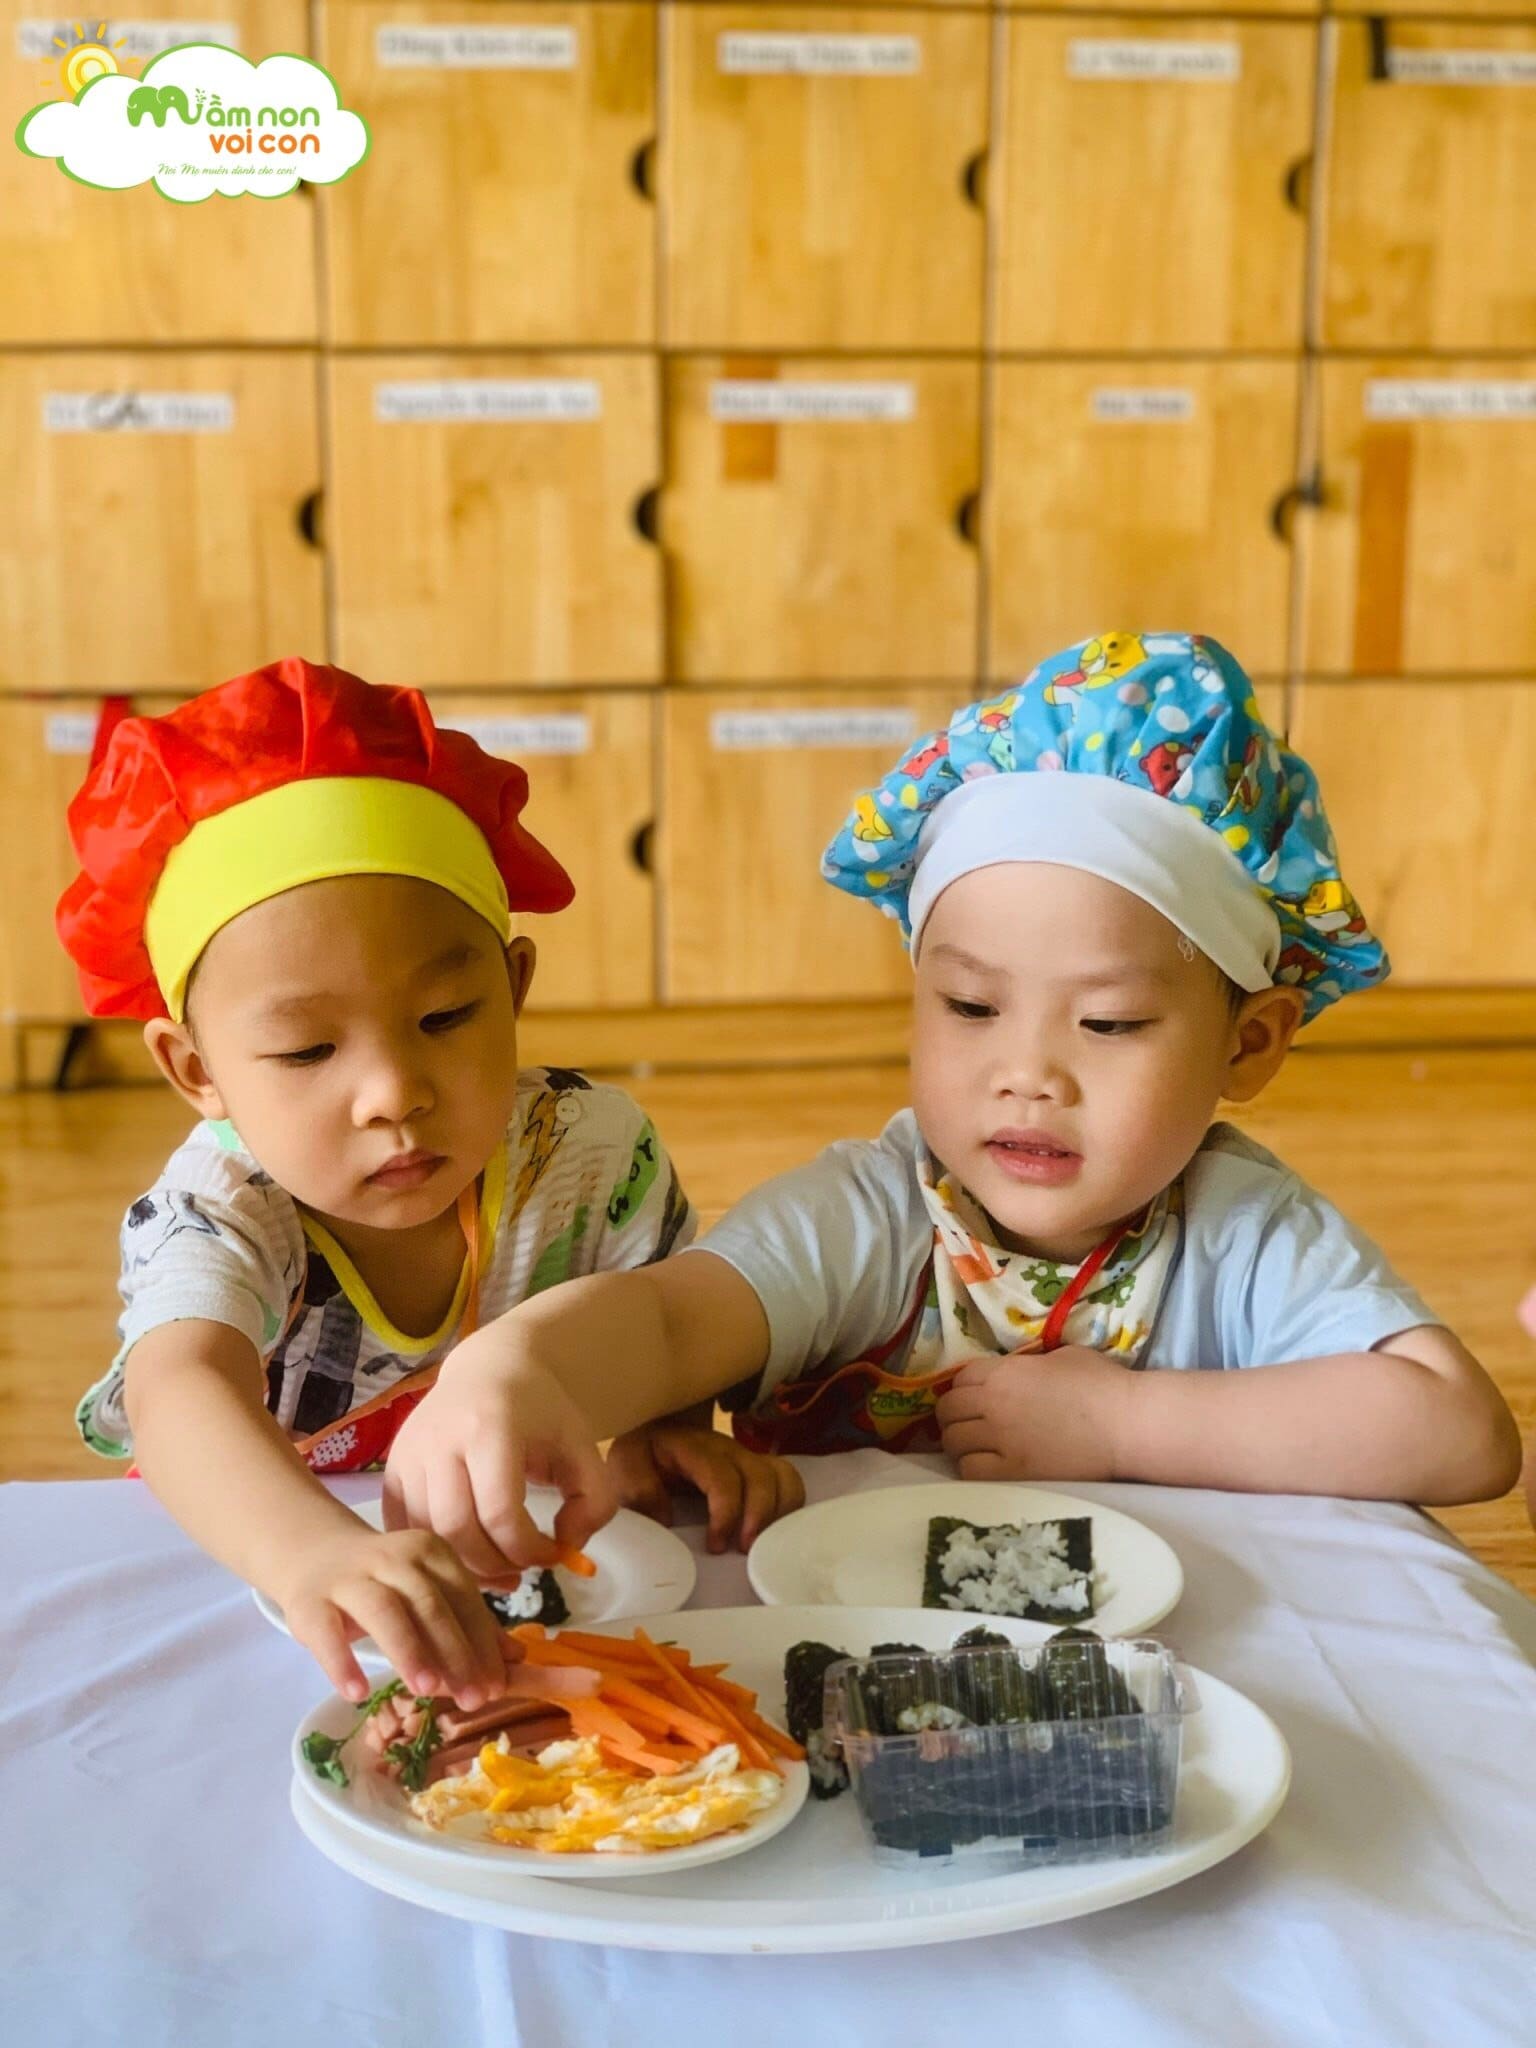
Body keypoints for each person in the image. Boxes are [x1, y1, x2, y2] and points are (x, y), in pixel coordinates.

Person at [428, 631, 1519, 1541]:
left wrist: (1126, 1423)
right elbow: (672, 1323)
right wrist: (518, 1368)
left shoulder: (1241, 1233)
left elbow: (1463, 1434)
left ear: (1250, 1042)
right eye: (969, 1006)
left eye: (1108, 1023)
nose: (1028, 1075)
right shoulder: (874, 1217)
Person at [59, 656, 696, 1710]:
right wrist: (310, 1553)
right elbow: (179, 1388)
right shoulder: (218, 1208)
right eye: (308, 1051)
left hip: (513, 1596)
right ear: (196, 1070)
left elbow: (672, 1324)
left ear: (514, 987)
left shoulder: (590, 1152)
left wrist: (669, 1436)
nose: (395, 1093)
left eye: (445, 1018)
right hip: (263, 1587)